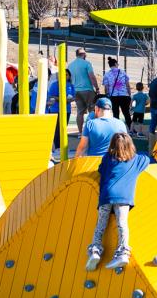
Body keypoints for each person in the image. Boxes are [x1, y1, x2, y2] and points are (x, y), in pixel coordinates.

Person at [86, 132, 151, 271]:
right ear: (130, 145)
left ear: (112, 145)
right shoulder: (137, 160)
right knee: (122, 224)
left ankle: (95, 250)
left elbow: (101, 170)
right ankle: (122, 252)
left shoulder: (108, 158)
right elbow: (147, 159)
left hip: (106, 195)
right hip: (124, 197)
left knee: (101, 224)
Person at [46, 64, 75, 156]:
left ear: (69, 76)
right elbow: (51, 96)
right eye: (63, 74)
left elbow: (73, 97)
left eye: (67, 75)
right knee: (57, 129)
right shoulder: (54, 85)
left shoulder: (70, 85)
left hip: (67, 110)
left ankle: (62, 146)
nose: (65, 76)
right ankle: (57, 147)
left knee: (63, 128)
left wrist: (69, 99)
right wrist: (61, 99)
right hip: (55, 109)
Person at [67, 48, 99, 133]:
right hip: (87, 89)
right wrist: (97, 88)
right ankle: (91, 132)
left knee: (80, 112)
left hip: (76, 91)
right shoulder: (87, 64)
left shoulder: (70, 65)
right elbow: (92, 76)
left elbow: (69, 79)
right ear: (84, 54)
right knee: (92, 111)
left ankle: (80, 132)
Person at [102, 58, 132, 127]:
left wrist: (107, 95)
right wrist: (129, 94)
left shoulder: (107, 74)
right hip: (124, 95)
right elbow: (127, 85)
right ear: (115, 64)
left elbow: (106, 87)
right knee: (126, 113)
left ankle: (116, 128)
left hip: (113, 96)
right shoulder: (122, 72)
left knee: (115, 113)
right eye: (117, 63)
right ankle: (130, 128)